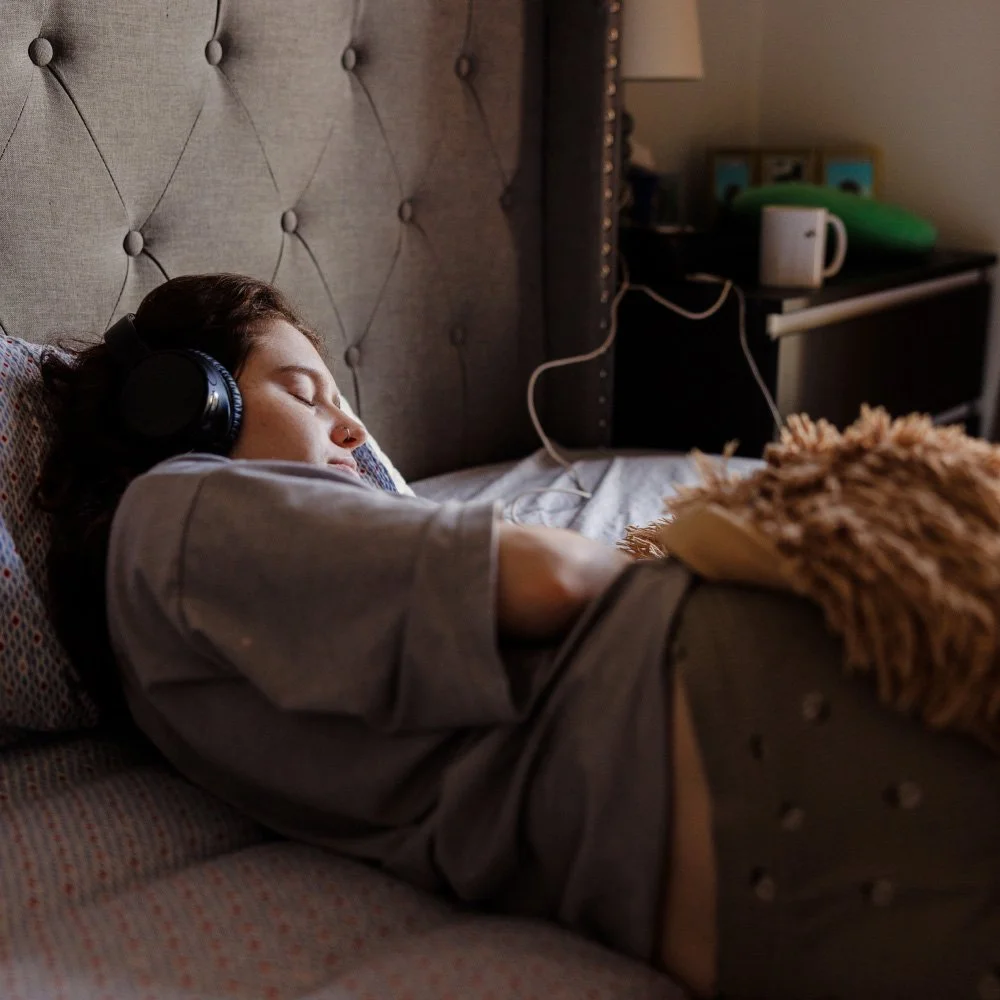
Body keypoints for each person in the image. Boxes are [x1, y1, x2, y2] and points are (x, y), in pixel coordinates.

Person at [37, 274, 999, 1000]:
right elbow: (550, 576)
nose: (353, 429)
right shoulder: (176, 513)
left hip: (739, 853)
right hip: (729, 715)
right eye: (305, 392)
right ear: (186, 405)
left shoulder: (194, 616)